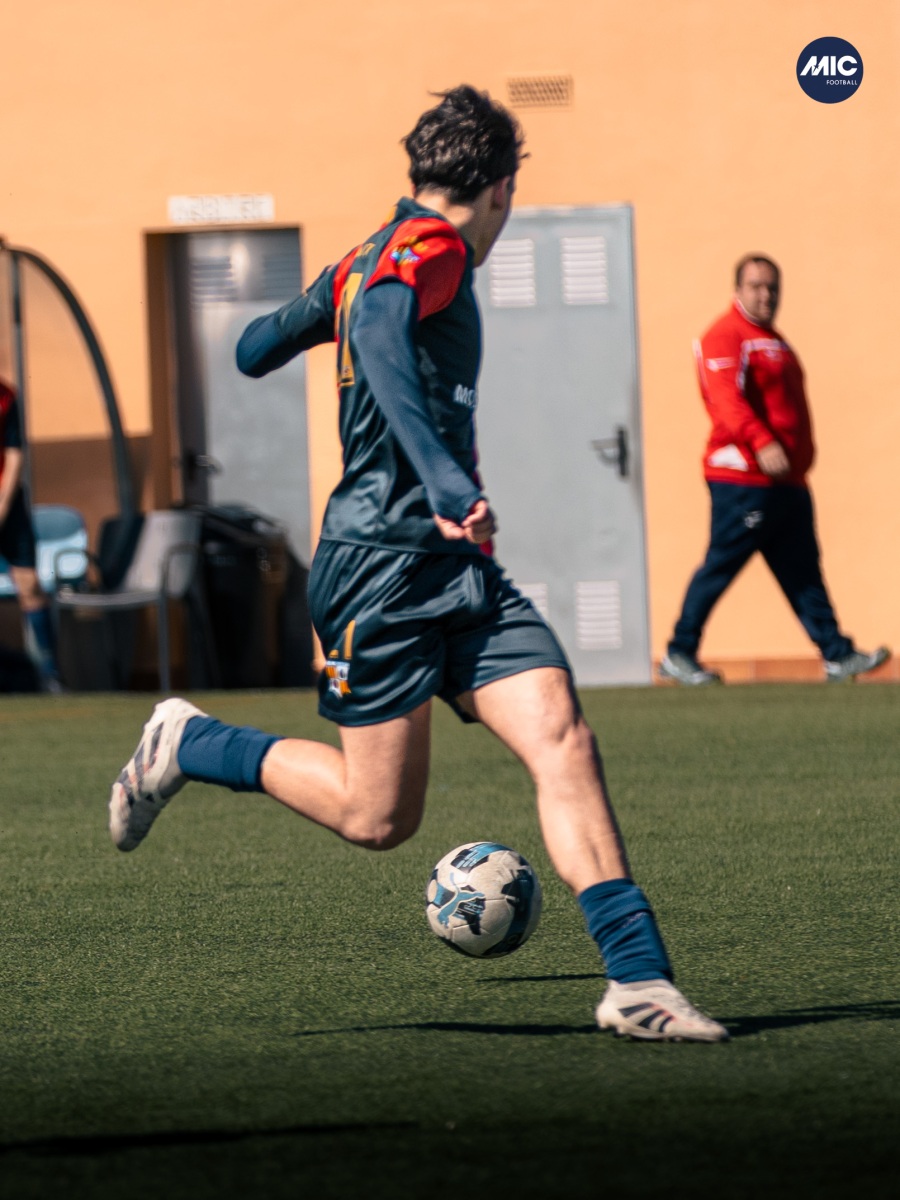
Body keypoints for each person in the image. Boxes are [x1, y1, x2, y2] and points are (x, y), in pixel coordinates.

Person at [110, 86, 727, 1042]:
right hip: (380, 570)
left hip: (460, 573)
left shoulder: (375, 256)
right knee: (376, 817)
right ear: (501, 188)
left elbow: (252, 348)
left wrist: (332, 295)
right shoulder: (431, 251)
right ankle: (189, 743)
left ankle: (637, 981)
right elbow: (380, 334)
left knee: (562, 736)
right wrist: (440, 475)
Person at [660, 255, 889, 686]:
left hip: (787, 483)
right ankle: (679, 652)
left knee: (803, 570)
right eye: (756, 286)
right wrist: (761, 441)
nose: (766, 295)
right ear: (738, 290)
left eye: (772, 288)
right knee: (721, 564)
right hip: (743, 481)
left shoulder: (773, 340)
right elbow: (725, 399)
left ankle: (837, 655)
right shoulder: (726, 335)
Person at [0, 379, 61, 691]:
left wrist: (2, 504)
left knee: (30, 584)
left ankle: (49, 675)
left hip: (8, 507)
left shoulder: (5, 397)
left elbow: (14, 453)